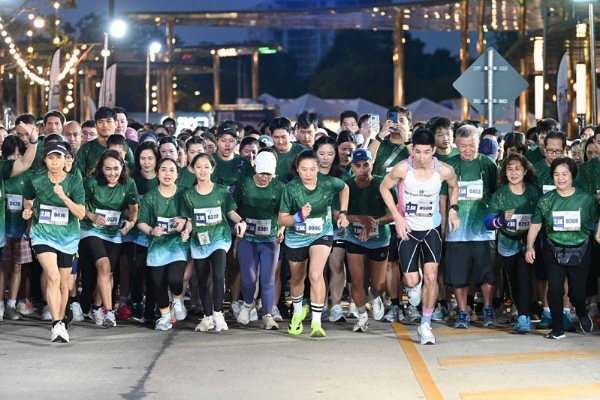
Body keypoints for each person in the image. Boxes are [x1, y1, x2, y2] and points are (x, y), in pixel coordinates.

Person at [380, 129, 460, 344]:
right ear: (412, 149)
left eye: (426, 152)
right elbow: (384, 187)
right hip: (408, 229)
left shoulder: (443, 170)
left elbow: (454, 186)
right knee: (411, 280)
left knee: (432, 276)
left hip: (431, 228)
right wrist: (397, 217)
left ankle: (425, 324)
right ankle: (414, 286)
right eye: (417, 152)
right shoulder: (403, 168)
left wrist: (453, 210)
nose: (422, 157)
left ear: (433, 151)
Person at [278, 150, 349, 338]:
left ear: (318, 168)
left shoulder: (328, 183)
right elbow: (282, 219)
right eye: (304, 169)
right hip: (297, 236)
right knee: (297, 278)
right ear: (297, 169)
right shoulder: (291, 189)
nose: (308, 173)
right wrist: (298, 216)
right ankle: (297, 313)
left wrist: (343, 213)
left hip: (321, 233)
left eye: (312, 169)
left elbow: (344, 188)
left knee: (316, 274)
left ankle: (316, 322)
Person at [526, 157, 597, 339]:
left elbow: (597, 217)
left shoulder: (586, 199)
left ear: (572, 175)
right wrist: (529, 246)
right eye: (557, 174)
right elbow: (536, 224)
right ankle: (557, 328)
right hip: (553, 248)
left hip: (580, 249)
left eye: (565, 174)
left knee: (577, 293)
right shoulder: (546, 200)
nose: (561, 178)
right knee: (555, 289)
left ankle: (581, 311)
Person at [22, 142, 85, 342]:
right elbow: (27, 199)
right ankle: (56, 324)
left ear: (66, 160)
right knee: (53, 276)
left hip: (67, 237)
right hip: (42, 233)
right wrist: (28, 210)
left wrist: (63, 197)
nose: (55, 162)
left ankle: (61, 318)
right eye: (51, 158)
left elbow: (81, 213)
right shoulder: (37, 180)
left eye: (59, 157)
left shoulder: (74, 182)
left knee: (64, 284)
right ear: (45, 160)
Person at [181, 153, 246, 333]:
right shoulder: (188, 195)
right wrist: (186, 230)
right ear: (193, 169)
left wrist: (241, 222)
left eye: (206, 167)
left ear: (212, 169)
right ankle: (207, 316)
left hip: (220, 238)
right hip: (199, 241)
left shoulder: (221, 191)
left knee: (218, 275)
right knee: (203, 279)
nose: (202, 170)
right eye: (198, 167)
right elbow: (189, 220)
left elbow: (231, 212)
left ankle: (218, 314)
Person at [443, 124, 498, 329]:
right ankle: (462, 311)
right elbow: (442, 197)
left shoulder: (488, 164)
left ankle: (488, 308)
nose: (468, 150)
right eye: (463, 146)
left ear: (479, 144)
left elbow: (496, 194)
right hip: (456, 231)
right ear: (456, 144)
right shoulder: (448, 166)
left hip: (483, 231)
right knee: (458, 275)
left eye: (472, 145)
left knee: (487, 273)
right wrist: (443, 224)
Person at [79, 150, 138, 327]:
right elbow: (79, 206)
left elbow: (134, 209)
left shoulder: (129, 183)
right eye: (108, 169)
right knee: (104, 266)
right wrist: (92, 216)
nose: (112, 173)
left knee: (107, 273)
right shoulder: (91, 183)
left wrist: (130, 223)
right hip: (91, 230)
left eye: (116, 168)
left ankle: (97, 307)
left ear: (122, 167)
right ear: (101, 169)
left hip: (113, 233)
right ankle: (109, 312)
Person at [485, 154, 541, 333]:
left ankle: (524, 317)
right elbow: (488, 223)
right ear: (504, 173)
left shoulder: (534, 192)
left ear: (525, 171)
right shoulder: (500, 195)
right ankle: (520, 310)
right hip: (507, 243)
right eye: (510, 169)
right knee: (513, 280)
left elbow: (543, 215)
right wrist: (502, 219)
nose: (514, 173)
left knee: (524, 276)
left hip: (527, 242)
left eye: (517, 169)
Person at [234, 150, 285, 329]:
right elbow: (234, 207)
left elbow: (284, 211)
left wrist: (282, 229)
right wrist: (238, 225)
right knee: (248, 277)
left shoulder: (279, 187)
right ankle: (248, 304)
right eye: (262, 173)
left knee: (268, 278)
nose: (265, 178)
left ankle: (268, 315)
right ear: (255, 169)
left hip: (270, 238)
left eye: (268, 174)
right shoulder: (244, 184)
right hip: (247, 238)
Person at [345, 149, 395, 332]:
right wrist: (359, 219)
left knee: (378, 285)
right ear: (352, 167)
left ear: (372, 165)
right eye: (358, 166)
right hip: (355, 238)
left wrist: (375, 222)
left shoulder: (383, 185)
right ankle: (362, 316)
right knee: (357, 281)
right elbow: (337, 214)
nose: (362, 169)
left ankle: (374, 297)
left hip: (379, 239)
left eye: (366, 165)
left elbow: (395, 213)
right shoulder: (346, 186)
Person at [137, 157, 190, 331]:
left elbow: (192, 216)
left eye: (171, 170)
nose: (167, 174)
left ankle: (177, 299)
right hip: (157, 246)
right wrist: (152, 231)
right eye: (163, 170)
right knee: (158, 283)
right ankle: (165, 316)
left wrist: (185, 223)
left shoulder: (184, 193)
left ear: (177, 174)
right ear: (157, 173)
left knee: (175, 279)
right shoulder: (150, 196)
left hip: (177, 244)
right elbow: (141, 222)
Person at [313, 136, 352, 321]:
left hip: (337, 228)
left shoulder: (342, 175)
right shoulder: (308, 173)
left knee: (336, 264)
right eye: (321, 153)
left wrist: (342, 214)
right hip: (314, 228)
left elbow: (348, 197)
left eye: (330, 153)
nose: (326, 158)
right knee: (318, 268)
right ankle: (319, 305)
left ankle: (336, 306)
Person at [0, 136, 34, 321]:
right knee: (3, 267)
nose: (15, 159)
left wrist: (29, 225)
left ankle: (12, 304)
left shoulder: (28, 176)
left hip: (21, 230)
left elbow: (31, 202)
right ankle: (0, 304)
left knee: (17, 266)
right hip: (4, 230)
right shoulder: (3, 172)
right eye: (11, 155)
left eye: (19, 155)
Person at [129, 142, 159, 323]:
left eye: (150, 158)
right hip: (135, 235)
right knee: (135, 274)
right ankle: (136, 304)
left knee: (153, 275)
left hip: (158, 236)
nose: (146, 162)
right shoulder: (132, 179)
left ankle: (150, 312)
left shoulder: (163, 177)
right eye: (142, 158)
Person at [78, 107, 135, 178]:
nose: (105, 125)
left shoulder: (124, 148)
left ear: (116, 124)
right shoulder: (86, 149)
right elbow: (77, 174)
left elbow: (132, 172)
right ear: (95, 125)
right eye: (100, 122)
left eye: (108, 121)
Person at [271, 117, 306, 183]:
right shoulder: (267, 154)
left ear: (291, 133)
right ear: (271, 135)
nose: (280, 141)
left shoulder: (303, 151)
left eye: (283, 137)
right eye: (276, 137)